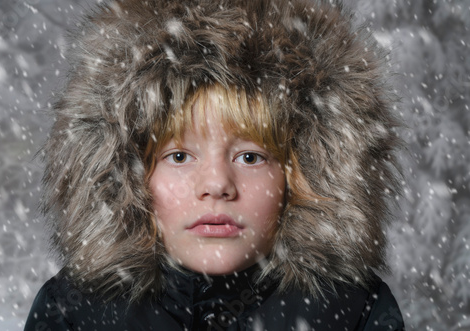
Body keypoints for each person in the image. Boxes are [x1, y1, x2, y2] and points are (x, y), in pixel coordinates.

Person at [25, 0, 405, 330]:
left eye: (250, 157)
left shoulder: (355, 313)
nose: (217, 184)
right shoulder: (72, 313)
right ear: (127, 178)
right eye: (179, 156)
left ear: (300, 177)